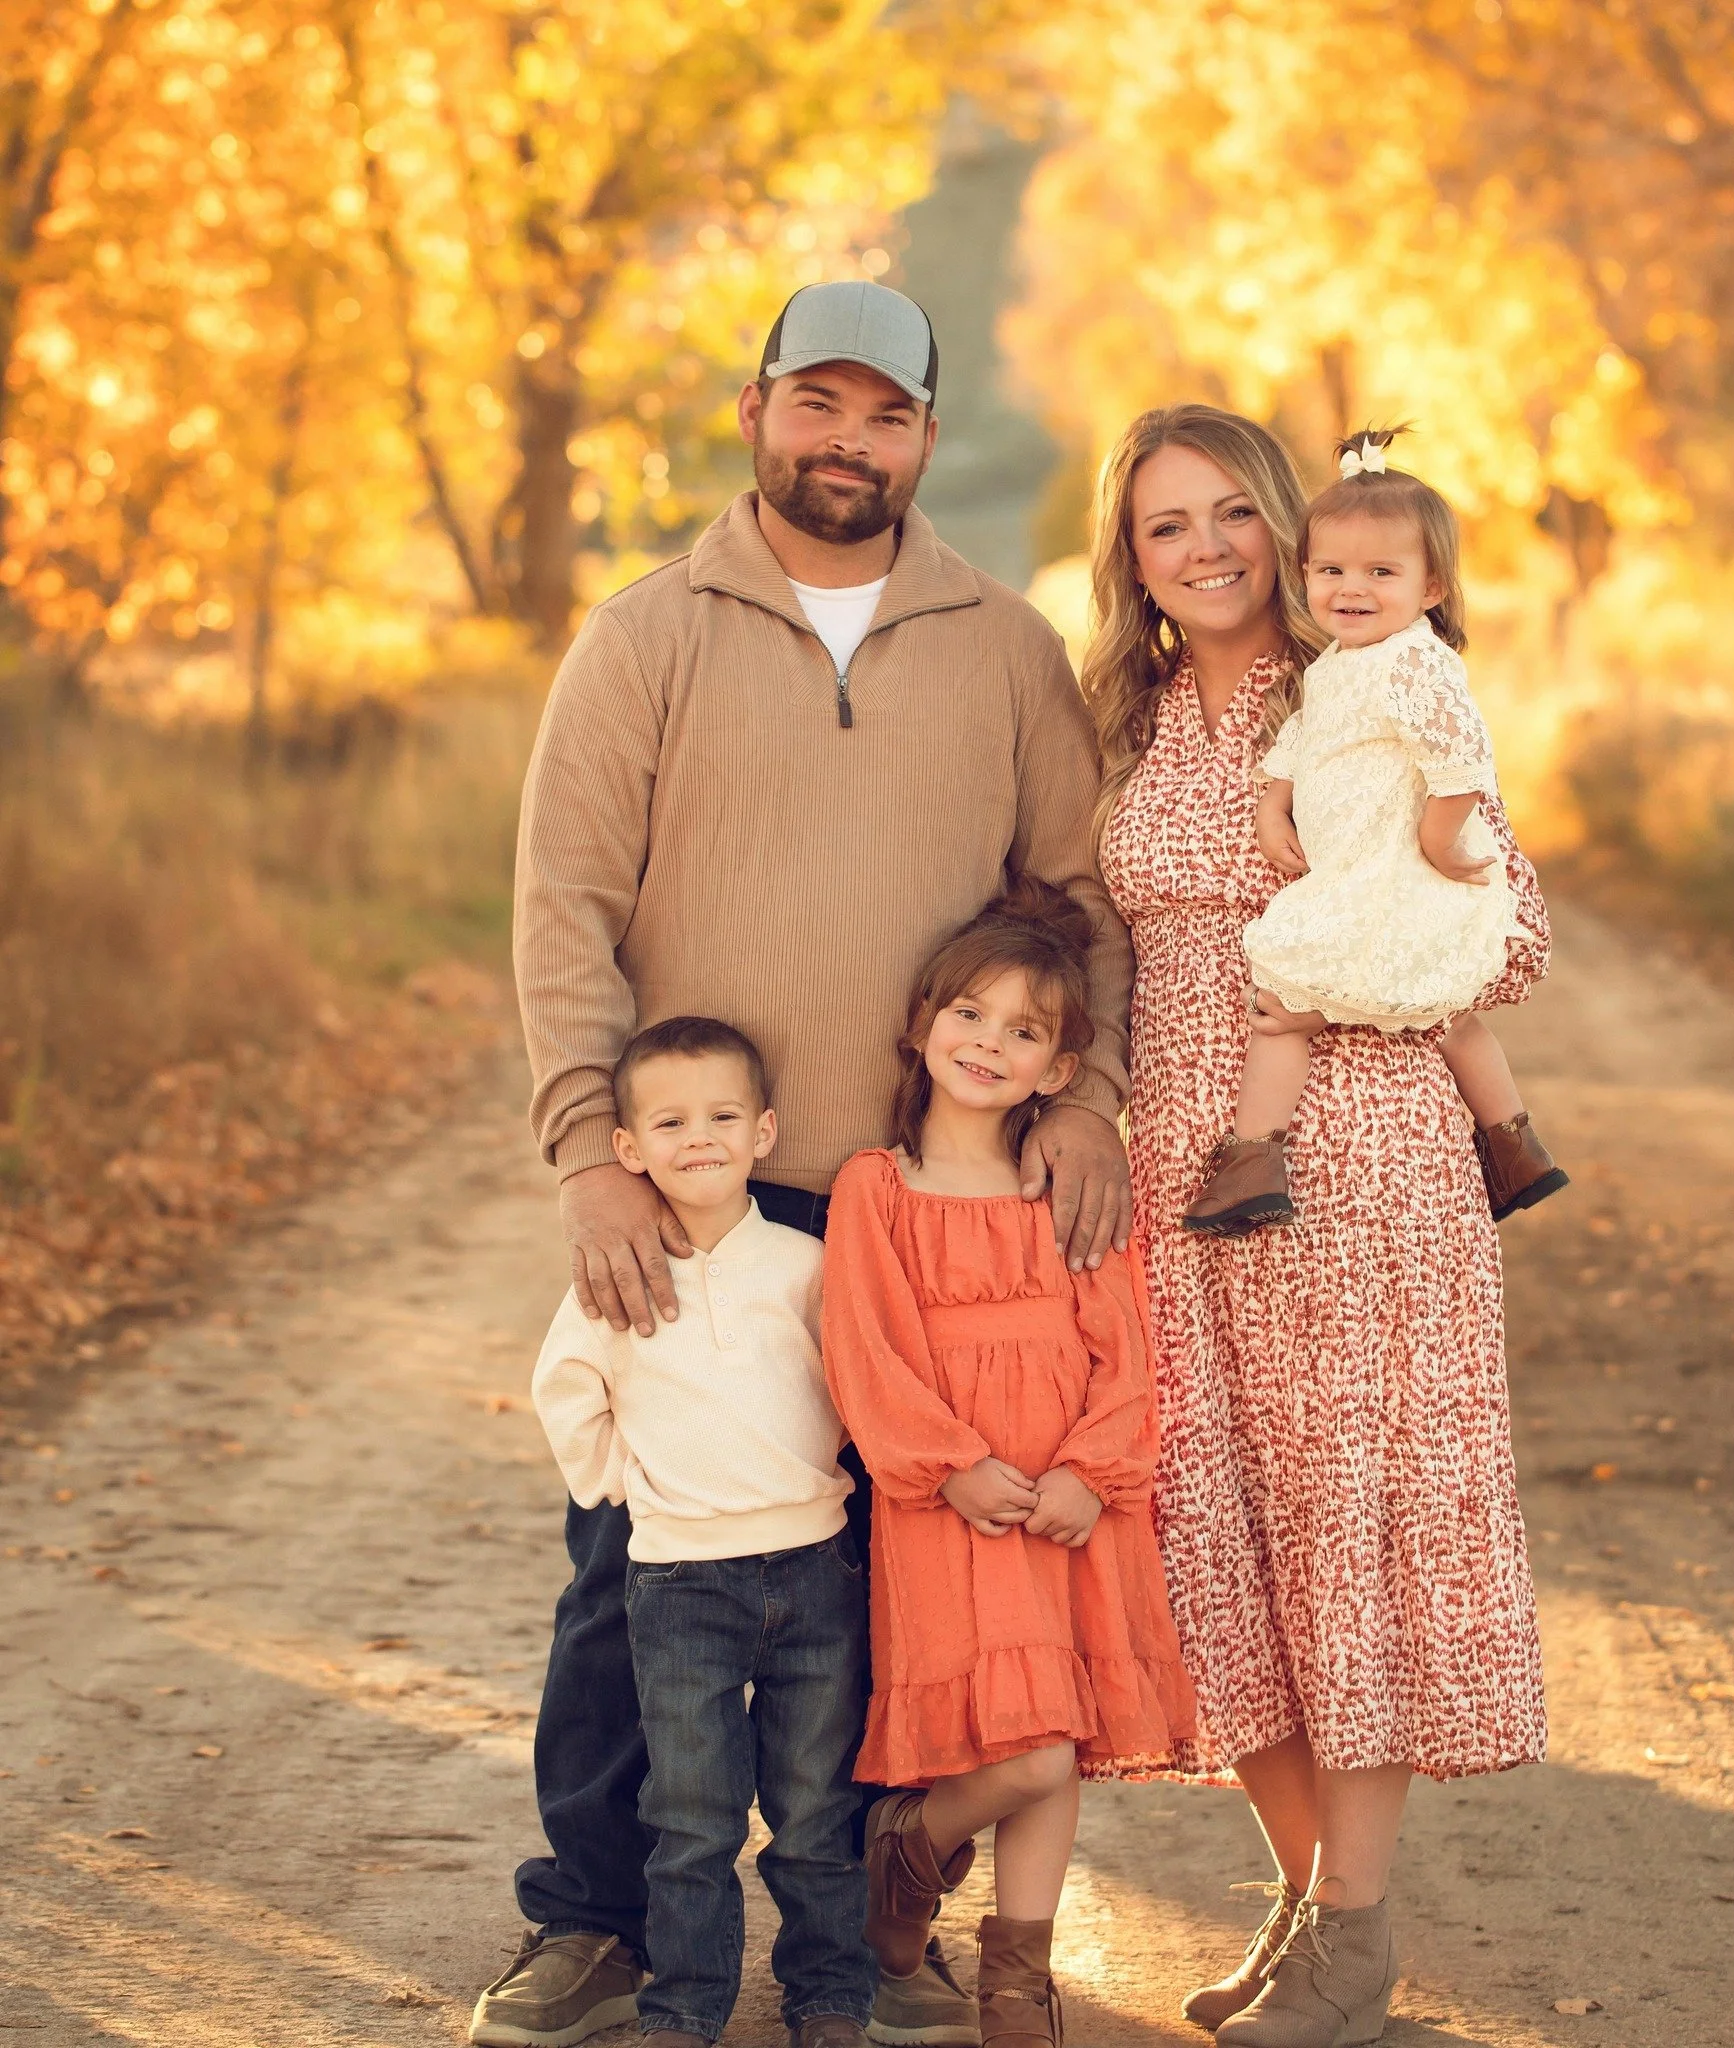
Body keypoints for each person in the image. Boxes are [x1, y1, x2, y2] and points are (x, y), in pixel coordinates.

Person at [480, 279, 1134, 2048]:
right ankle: (596, 1917)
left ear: (925, 431)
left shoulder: (1000, 643)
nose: (848, 440)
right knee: (638, 1569)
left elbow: (1075, 901)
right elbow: (566, 913)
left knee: (890, 1588)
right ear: (759, 408)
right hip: (701, 1198)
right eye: (815, 404)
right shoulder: (643, 635)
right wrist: (588, 1155)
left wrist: (1086, 1096)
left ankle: (867, 1933)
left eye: (886, 413)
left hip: (929, 1203)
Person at [1086, 405, 1548, 2047]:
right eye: (1164, 525)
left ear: (1285, 526)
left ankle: (1352, 1932)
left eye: (1229, 512)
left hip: (1357, 1165)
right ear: (1127, 559)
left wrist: (1373, 934)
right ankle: (1305, 1902)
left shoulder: (1364, 672)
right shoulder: (1123, 713)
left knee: (1346, 1528)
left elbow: (1509, 927)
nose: (1203, 546)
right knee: (1218, 1536)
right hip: (1183, 1184)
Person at [820, 881, 1195, 2048]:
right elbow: (865, 1351)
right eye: (970, 1015)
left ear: (1057, 1067)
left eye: (1023, 1031)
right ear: (922, 1021)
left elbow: (1123, 1344)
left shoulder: (1061, 1185)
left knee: (1061, 1738)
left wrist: (1095, 1466)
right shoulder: (874, 1187)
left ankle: (1016, 1986)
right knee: (1026, 1753)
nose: (988, 1043)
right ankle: (912, 1840)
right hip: (955, 1508)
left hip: (1068, 1505)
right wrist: (947, 1463)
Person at [529, 1016, 871, 2048]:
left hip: (814, 1566)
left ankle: (830, 1997)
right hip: (678, 1581)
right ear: (628, 1147)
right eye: (669, 1121)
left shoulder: (807, 1264)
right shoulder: (619, 1273)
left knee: (815, 1814)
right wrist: (618, 1483)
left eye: (722, 1115)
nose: (699, 1137)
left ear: (764, 1130)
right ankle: (684, 2007)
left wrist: (830, 1470)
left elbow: (859, 1378)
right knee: (691, 1819)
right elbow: (563, 1390)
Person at [1183, 426, 1568, 1235]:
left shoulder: (1414, 663)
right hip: (1363, 871)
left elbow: (1460, 755)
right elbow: (1304, 736)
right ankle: (1512, 1145)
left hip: (1397, 871)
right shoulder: (1338, 665)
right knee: (1451, 1018)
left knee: (1282, 998)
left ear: (1432, 587)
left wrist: (1437, 840)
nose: (1349, 589)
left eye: (1379, 573)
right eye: (1330, 571)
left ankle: (1254, 1153)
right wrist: (1272, 797)